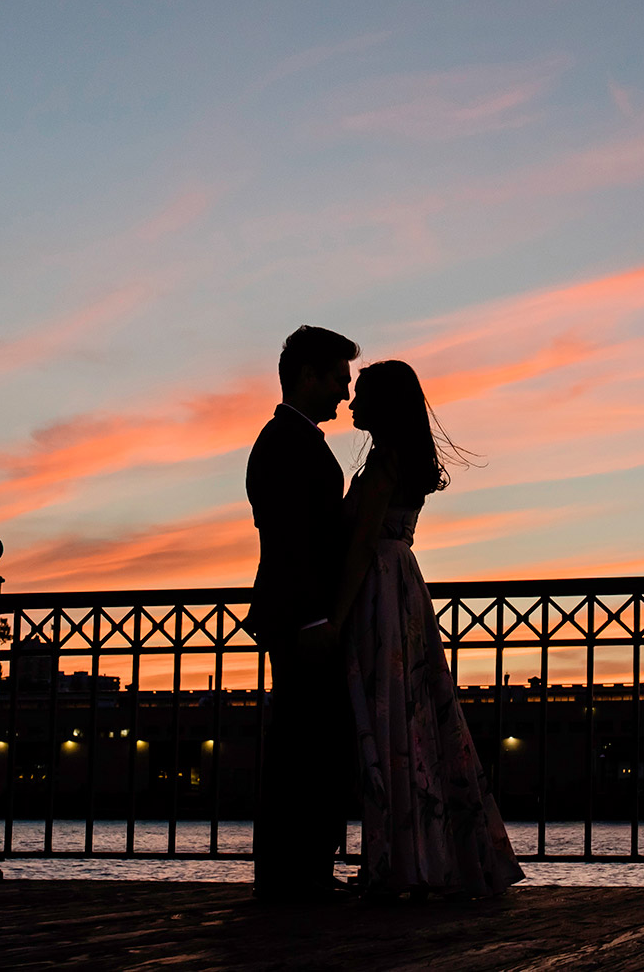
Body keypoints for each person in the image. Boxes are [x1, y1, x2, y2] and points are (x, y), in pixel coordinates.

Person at [331, 359, 523, 899]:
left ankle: (398, 860)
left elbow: (362, 542)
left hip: (377, 590)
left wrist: (338, 617)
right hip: (402, 588)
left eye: (361, 395)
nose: (352, 404)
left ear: (383, 405)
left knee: (387, 718)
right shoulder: (399, 459)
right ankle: (421, 854)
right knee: (412, 720)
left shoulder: (385, 463)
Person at [246, 325, 360, 902]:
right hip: (301, 616)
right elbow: (295, 542)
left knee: (307, 740)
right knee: (305, 743)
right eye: (338, 380)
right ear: (309, 376)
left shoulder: (291, 440)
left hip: (296, 612)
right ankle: (296, 871)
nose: (344, 393)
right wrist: (317, 617)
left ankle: (300, 868)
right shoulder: (286, 444)